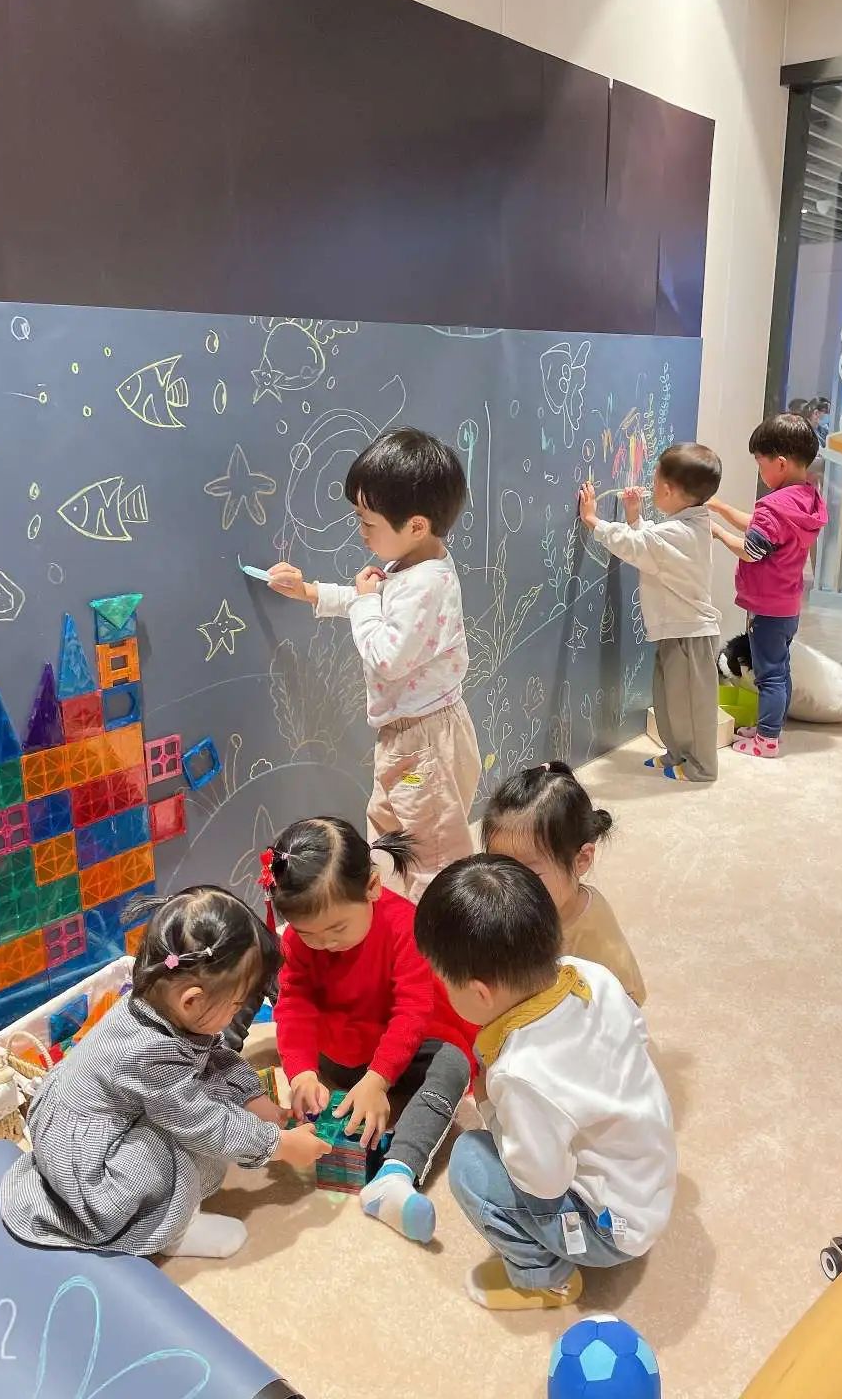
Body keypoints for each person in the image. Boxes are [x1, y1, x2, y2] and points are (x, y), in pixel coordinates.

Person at [0, 887, 330, 1259]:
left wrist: (252, 1098)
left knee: (208, 1090)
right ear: (191, 1000)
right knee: (191, 1130)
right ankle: (176, 1230)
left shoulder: (153, 1003)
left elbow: (212, 1057)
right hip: (91, 1174)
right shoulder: (150, 1053)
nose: (237, 1013)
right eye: (236, 1004)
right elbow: (205, 1124)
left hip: (84, 1124)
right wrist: (279, 1146)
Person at [415, 855, 675, 1312]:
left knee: (469, 1162)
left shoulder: (521, 1073)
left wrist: (492, 1110)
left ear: (479, 993)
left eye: (443, 982)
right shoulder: (589, 974)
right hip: (650, 1183)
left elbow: (544, 1182)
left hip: (610, 1230)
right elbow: (637, 1035)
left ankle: (545, 1279)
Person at [263, 427, 481, 900]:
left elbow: (386, 655)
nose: (360, 531)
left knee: (432, 855)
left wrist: (364, 600)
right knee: (387, 834)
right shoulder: (411, 564)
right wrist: (309, 591)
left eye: (367, 521)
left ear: (416, 526)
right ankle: (393, 914)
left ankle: (440, 933)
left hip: (425, 742)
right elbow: (372, 603)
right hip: (406, 737)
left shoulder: (428, 584)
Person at [267, 817, 477, 1246]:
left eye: (337, 929)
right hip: (340, 1054)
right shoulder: (298, 943)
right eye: (309, 934)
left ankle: (396, 1173)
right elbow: (295, 1005)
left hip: (401, 1050)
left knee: (453, 1061)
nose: (325, 943)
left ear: (373, 887)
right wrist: (302, 1073)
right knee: (277, 996)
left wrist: (378, 1080)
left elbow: (413, 1010)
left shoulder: (406, 925)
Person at [579, 443, 723, 782]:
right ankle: (678, 753)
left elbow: (640, 546)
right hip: (675, 629)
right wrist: (635, 516)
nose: (651, 485)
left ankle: (702, 767)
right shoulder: (686, 526)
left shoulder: (681, 532)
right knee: (670, 700)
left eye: (655, 481)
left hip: (690, 633)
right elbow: (651, 546)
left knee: (692, 706)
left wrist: (593, 520)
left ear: (669, 490)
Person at [709, 413, 828, 758]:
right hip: (787, 605)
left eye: (760, 465)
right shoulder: (805, 500)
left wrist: (718, 533)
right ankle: (771, 727)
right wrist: (721, 507)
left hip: (767, 607)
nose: (760, 472)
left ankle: (767, 741)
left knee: (770, 675)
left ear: (780, 463)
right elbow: (761, 528)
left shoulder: (773, 508)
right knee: (780, 669)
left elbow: (751, 549)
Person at [481, 760, 645, 1005]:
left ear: (581, 860)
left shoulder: (592, 926)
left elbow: (628, 998)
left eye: (529, 873)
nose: (510, 885)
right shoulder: (509, 908)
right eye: (500, 867)